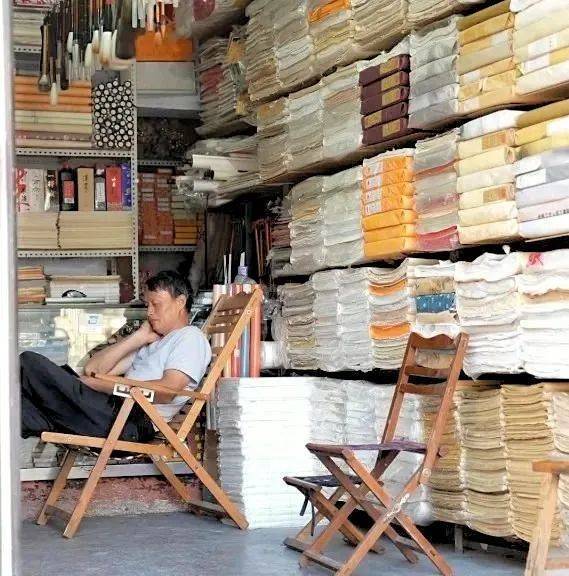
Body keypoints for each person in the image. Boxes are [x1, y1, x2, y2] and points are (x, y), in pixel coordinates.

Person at [20, 271, 212, 442]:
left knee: (30, 363)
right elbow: (93, 370)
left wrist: (101, 385)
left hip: (130, 420)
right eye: (148, 305)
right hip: (112, 412)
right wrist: (138, 337)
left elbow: (167, 392)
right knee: (22, 410)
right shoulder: (153, 340)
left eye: (156, 305)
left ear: (180, 302)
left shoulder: (190, 338)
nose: (149, 312)